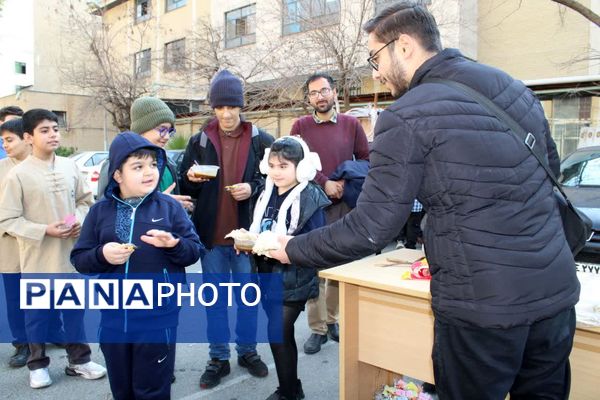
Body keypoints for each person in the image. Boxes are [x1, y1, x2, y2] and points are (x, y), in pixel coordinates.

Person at [270, 3, 580, 400]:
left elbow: (371, 228)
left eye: (375, 57)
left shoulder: (407, 115)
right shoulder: (512, 87)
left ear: (403, 46)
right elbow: (548, 174)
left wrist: (293, 248)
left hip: (481, 308)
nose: (375, 72)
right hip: (554, 293)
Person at [71, 132, 205, 400]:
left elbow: (195, 250)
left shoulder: (169, 207)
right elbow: (80, 258)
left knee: (152, 389)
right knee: (122, 388)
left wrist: (173, 243)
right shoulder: (100, 211)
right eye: (138, 166)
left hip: (158, 319)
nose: (149, 172)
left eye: (153, 165)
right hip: (113, 320)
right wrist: (102, 255)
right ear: (117, 175)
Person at [179, 69, 274, 389]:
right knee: (216, 302)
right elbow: (183, 187)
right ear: (213, 108)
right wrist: (190, 181)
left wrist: (253, 187)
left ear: (240, 106)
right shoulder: (200, 140)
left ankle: (247, 352)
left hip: (247, 239)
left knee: (247, 299)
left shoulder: (261, 139)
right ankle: (218, 358)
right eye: (220, 107)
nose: (226, 113)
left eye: (232, 106)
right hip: (211, 239)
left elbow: (277, 181)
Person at [0, 109, 107, 389]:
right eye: (45, 130)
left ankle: (79, 361)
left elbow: (86, 201)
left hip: (71, 256)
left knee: (74, 313)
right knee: (38, 316)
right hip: (37, 258)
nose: (53, 134)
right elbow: (8, 219)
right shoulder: (18, 175)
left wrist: (79, 221)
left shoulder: (70, 166)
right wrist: (44, 230)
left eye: (55, 129)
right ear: (28, 137)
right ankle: (37, 366)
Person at [290, 73, 369, 354]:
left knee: (337, 269)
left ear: (335, 93)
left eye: (324, 90)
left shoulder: (351, 124)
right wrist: (326, 182)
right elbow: (294, 163)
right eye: (313, 93)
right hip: (312, 207)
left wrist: (344, 183)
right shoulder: (300, 127)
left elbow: (366, 160)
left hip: (344, 205)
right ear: (308, 98)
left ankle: (332, 320)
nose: (320, 97)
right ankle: (317, 328)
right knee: (315, 269)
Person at [249, 136, 330, 400]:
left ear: (301, 167)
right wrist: (248, 242)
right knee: (279, 333)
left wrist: (287, 248)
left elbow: (316, 240)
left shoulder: (311, 195)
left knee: (278, 331)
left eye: (283, 166)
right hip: (267, 274)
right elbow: (260, 229)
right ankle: (291, 387)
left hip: (294, 275)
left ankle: (288, 391)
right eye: (271, 165)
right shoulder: (267, 191)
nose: (275, 171)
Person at [97, 97, 193, 210]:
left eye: (170, 131)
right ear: (142, 128)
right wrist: (160, 203)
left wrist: (191, 181)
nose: (166, 137)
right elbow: (106, 210)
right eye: (162, 130)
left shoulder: (168, 163)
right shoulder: (116, 163)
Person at [0, 118, 31, 368]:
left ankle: (52, 335)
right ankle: (22, 344)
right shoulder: (2, 169)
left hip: (46, 246)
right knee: (15, 298)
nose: (5, 145)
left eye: (9, 140)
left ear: (27, 138)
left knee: (49, 294)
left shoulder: (49, 167)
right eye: (3, 141)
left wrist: (69, 222)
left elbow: (76, 202)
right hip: (11, 246)